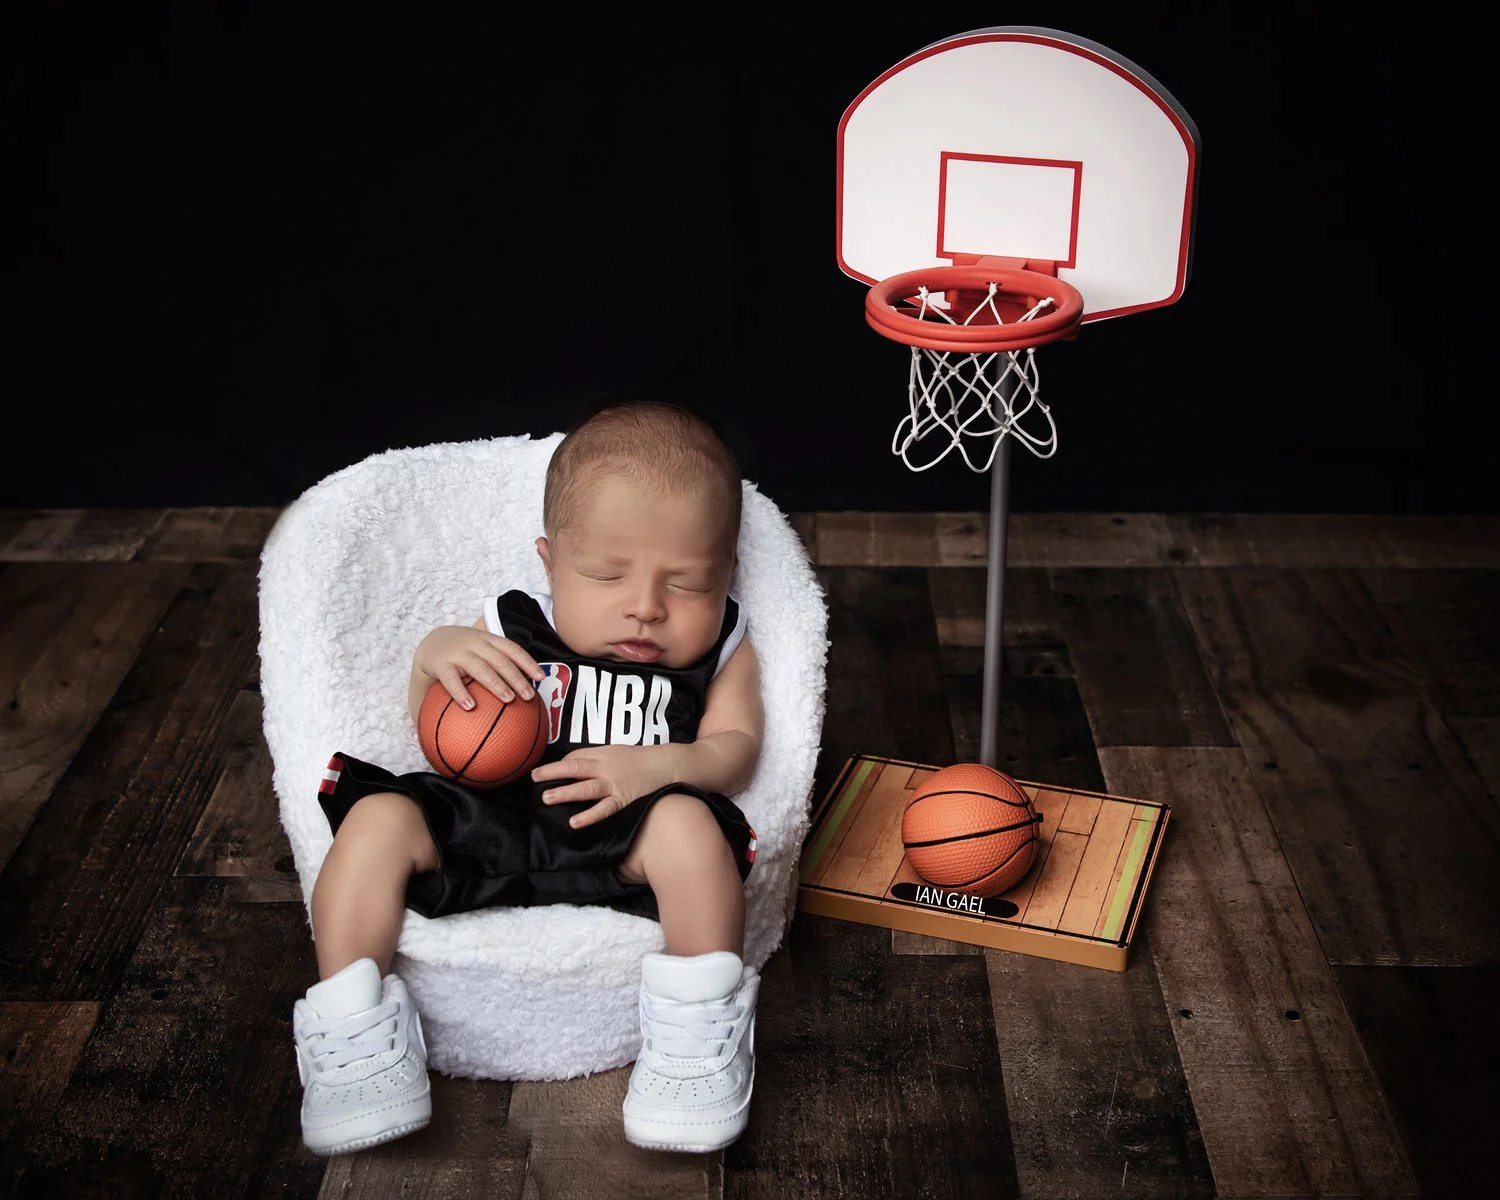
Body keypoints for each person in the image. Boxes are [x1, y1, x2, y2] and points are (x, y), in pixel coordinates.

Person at [290, 400, 764, 1156]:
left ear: (727, 576)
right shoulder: (513, 624)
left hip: (619, 831)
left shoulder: (724, 646)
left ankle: (697, 1032)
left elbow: (735, 748)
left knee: (692, 828)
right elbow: (438, 722)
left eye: (689, 585)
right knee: (375, 819)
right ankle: (353, 1030)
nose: (645, 609)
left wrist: (659, 767)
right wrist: (434, 653)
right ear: (549, 564)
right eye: (605, 575)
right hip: (487, 814)